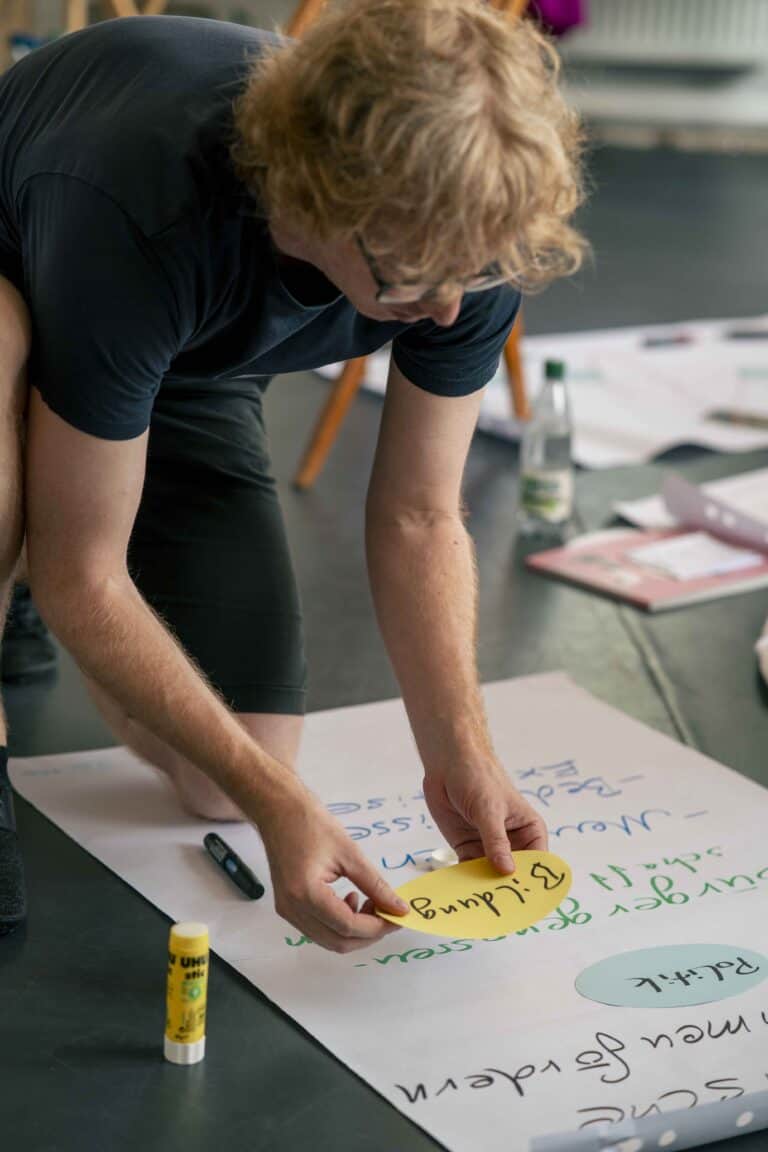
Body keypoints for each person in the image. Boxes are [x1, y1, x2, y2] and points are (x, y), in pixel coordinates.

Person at [0, 0, 585, 947]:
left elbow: (422, 518)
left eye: (468, 279)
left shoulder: (464, 243)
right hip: (38, 277)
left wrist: (457, 753)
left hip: (189, 352)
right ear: (308, 204)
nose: (442, 313)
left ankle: (48, 485)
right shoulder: (148, 204)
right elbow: (87, 573)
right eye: (408, 278)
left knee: (227, 776)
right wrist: (288, 813)